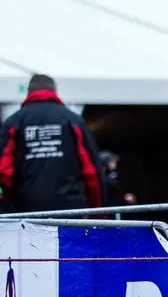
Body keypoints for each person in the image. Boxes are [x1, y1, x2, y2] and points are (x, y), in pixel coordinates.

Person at [0, 74, 104, 213]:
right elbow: (92, 172)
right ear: (54, 91)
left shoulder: (14, 122)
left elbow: (4, 170)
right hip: (69, 210)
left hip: (26, 211)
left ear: (29, 92)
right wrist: (97, 210)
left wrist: (11, 199)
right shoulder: (73, 120)